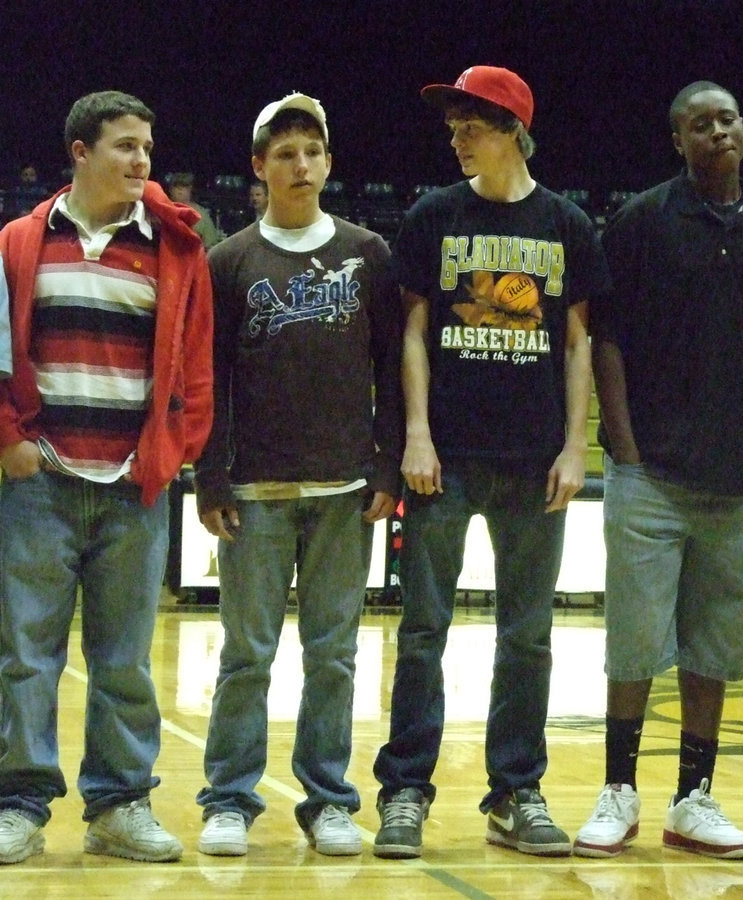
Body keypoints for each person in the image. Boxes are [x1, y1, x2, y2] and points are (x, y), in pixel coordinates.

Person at [371, 65, 607, 859]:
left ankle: (516, 790)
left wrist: (578, 444)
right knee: (423, 629)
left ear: (510, 128)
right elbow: (412, 334)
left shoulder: (567, 225)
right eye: (453, 127)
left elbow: (576, 344)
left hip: (535, 457)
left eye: (469, 125)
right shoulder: (434, 217)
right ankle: (406, 788)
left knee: (529, 635)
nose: (456, 137)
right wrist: (416, 433)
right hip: (447, 458)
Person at [573, 80, 743, 861]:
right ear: (678, 141)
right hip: (652, 475)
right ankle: (618, 790)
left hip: (739, 479)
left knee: (713, 650)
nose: (718, 132)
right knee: (633, 645)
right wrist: (625, 448)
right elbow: (607, 341)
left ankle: (694, 800)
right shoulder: (639, 223)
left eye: (728, 119)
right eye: (700, 125)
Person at [0, 90, 214, 865]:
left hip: (133, 487)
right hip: (39, 485)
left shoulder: (176, 249)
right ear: (80, 152)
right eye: (124, 145)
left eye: (147, 148)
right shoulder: (19, 242)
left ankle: (119, 805)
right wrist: (9, 445)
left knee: (125, 659)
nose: (141, 161)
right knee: (26, 654)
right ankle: (19, 804)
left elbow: (196, 362)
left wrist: (176, 450)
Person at [192, 93, 400, 858]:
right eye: (284, 154)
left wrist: (386, 462)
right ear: (259, 168)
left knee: (334, 654)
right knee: (246, 653)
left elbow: (392, 369)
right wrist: (209, 477)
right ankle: (228, 799)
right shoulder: (230, 261)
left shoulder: (370, 254)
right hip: (254, 491)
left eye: (312, 151)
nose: (301, 165)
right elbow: (208, 374)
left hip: (344, 490)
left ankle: (329, 800)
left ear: (328, 162)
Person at [165, 171, 224, 249]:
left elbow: (210, 244)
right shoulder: (163, 210)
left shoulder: (201, 214)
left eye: (184, 186)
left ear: (190, 189)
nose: (180, 190)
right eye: (176, 186)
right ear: (170, 189)